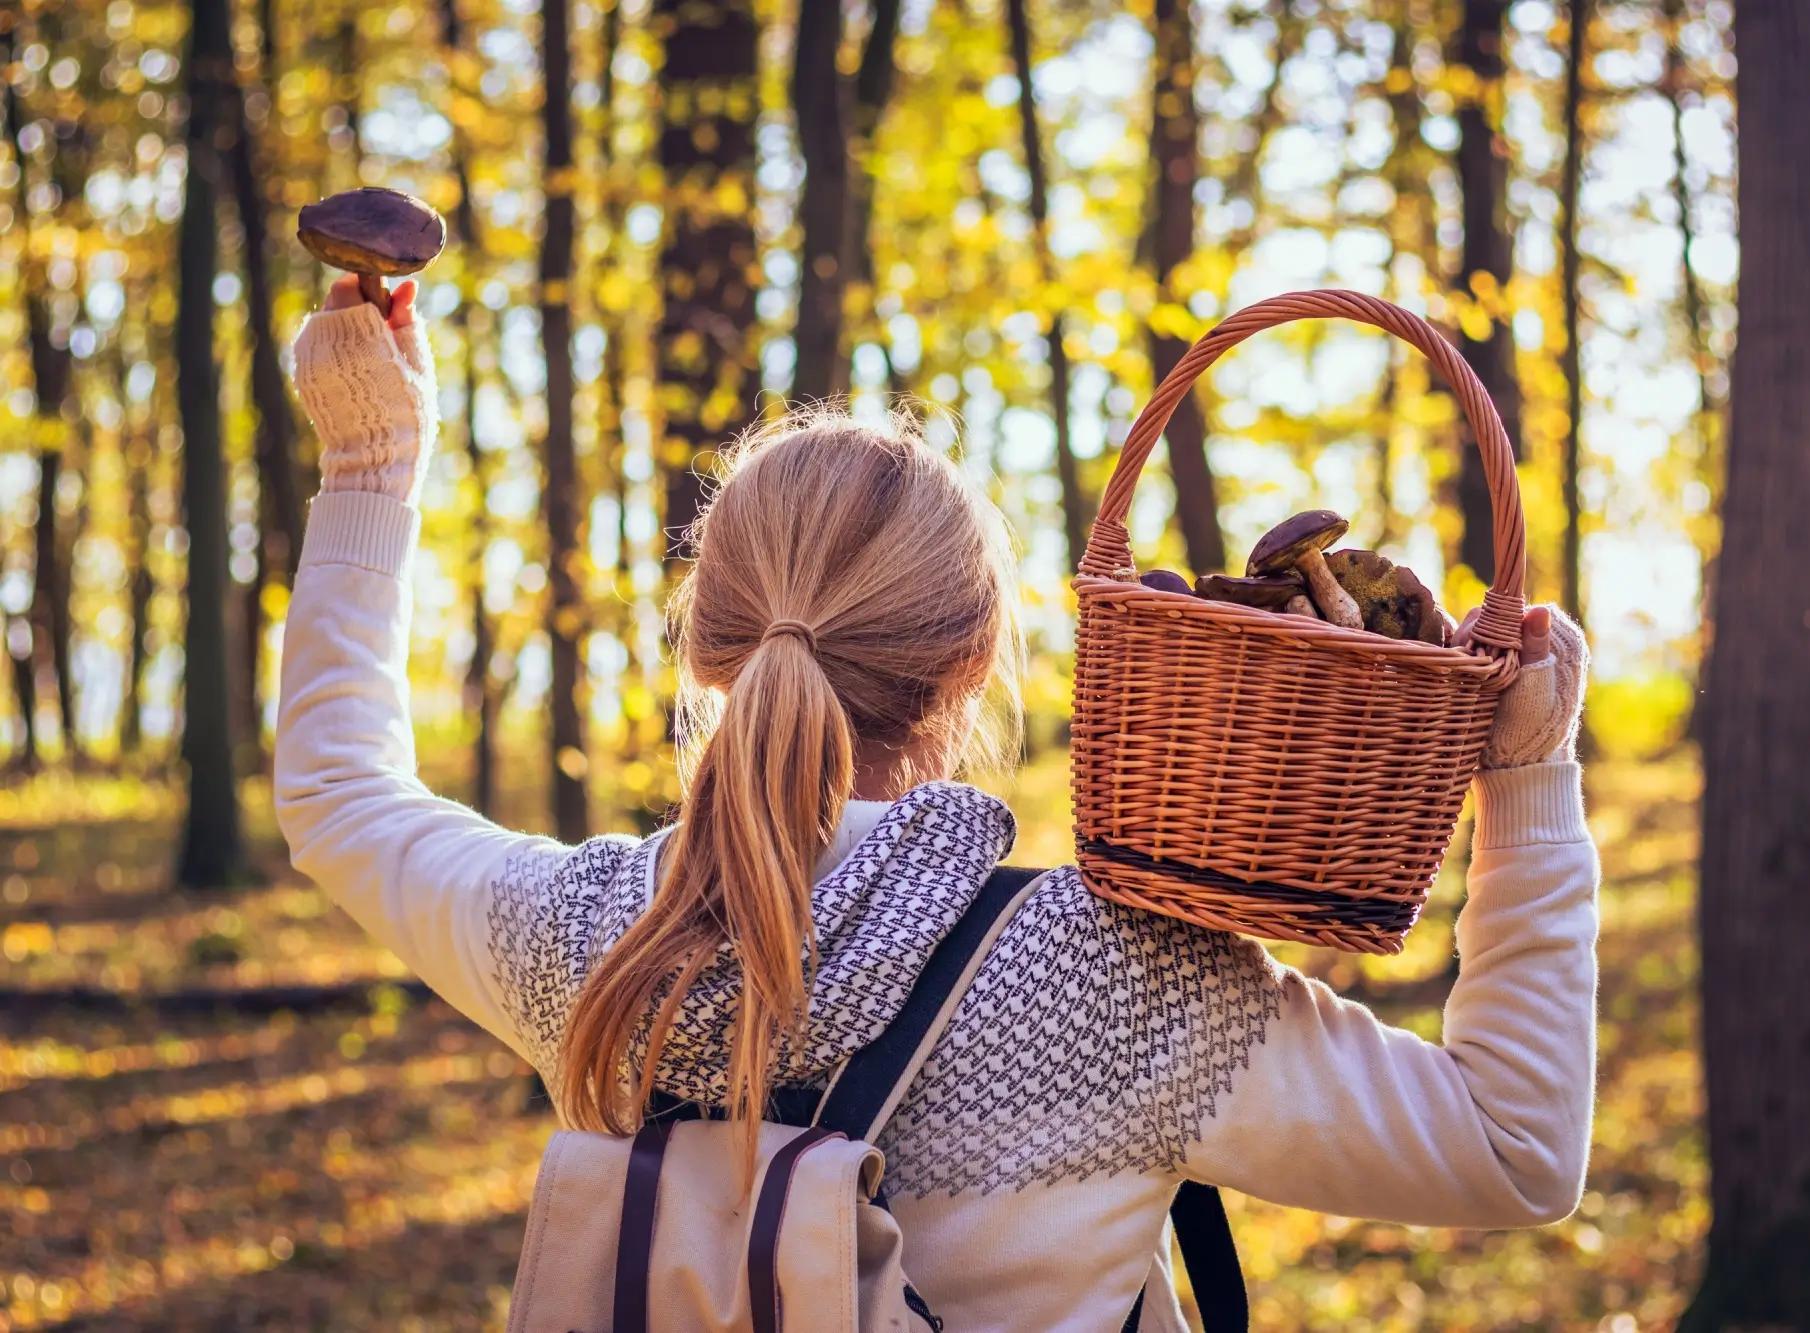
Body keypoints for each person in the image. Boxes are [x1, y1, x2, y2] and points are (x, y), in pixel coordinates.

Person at [277, 276, 1598, 1331]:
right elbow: (1516, 1147)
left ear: (709, 649)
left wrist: (372, 461)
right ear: (971, 671)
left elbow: (339, 795)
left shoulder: (603, 943)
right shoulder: (1117, 975)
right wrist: (1529, 777)